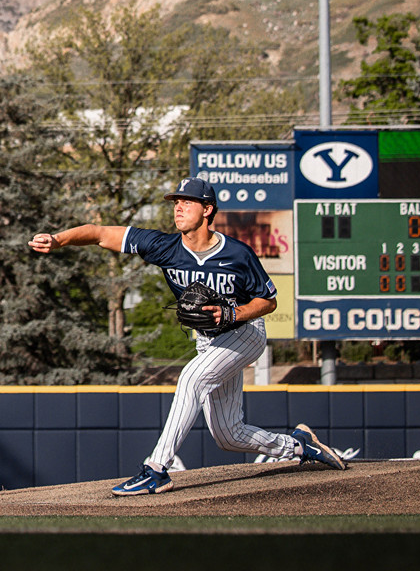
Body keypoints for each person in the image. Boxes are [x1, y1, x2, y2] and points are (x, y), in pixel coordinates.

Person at [29, 176, 348, 495]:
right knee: (228, 435)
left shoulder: (237, 254)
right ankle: (299, 446)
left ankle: (156, 470)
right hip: (209, 340)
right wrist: (59, 240)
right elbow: (100, 234)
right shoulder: (164, 247)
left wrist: (233, 312)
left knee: (191, 379)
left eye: (187, 201)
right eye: (175, 202)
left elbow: (268, 301)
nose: (178, 207)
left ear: (208, 209)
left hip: (244, 333)